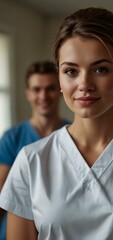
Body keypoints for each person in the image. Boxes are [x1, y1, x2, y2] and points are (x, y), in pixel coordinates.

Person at [0, 8, 113, 240]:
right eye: (71, 71)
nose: (84, 84)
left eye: (100, 69)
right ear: (60, 79)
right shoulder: (31, 161)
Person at [0, 60, 70, 240]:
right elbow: (2, 196)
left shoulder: (74, 135)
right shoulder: (12, 138)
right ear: (28, 94)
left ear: (61, 90)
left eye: (50, 88)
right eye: (36, 89)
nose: (43, 96)